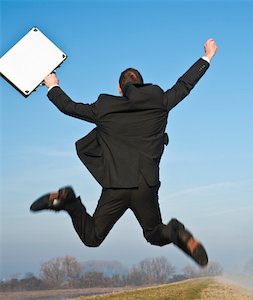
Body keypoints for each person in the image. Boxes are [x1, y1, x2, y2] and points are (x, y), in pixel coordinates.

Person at [30, 38, 218, 267]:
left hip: (116, 186)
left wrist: (52, 84)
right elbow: (184, 85)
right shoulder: (160, 102)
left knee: (92, 238)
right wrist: (207, 57)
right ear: (142, 84)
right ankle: (176, 232)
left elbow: (69, 107)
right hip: (145, 186)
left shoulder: (105, 107)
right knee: (155, 234)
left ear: (120, 89)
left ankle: (68, 201)